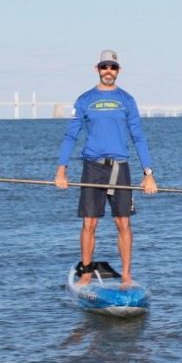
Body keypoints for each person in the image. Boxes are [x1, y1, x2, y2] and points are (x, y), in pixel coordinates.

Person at [55, 49, 157, 286]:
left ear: (118, 70)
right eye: (104, 67)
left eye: (112, 67)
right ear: (97, 69)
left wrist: (148, 174)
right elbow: (71, 135)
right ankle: (87, 272)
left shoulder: (127, 100)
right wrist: (61, 169)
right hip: (93, 167)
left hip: (120, 168)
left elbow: (138, 137)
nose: (108, 71)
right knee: (89, 222)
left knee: (123, 223)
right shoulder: (84, 100)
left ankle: (127, 277)